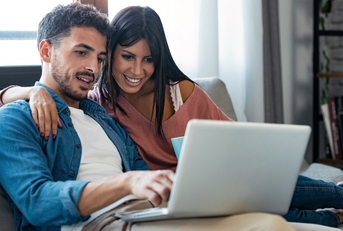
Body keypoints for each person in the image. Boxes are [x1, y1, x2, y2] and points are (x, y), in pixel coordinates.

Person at [0, 4, 341, 230]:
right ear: (46, 51)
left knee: (264, 218)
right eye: (81, 52)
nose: (93, 67)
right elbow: (38, 203)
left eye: (99, 57)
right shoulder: (20, 118)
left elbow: (233, 150)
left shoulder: (98, 114)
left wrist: (168, 188)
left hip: (156, 206)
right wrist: (28, 91)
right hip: (108, 218)